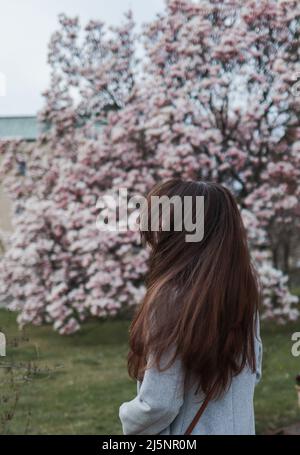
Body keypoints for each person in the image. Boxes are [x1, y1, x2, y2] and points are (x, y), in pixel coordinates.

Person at [119, 179, 263, 435]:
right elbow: (252, 372)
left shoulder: (170, 299)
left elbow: (158, 404)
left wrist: (127, 416)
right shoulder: (242, 295)